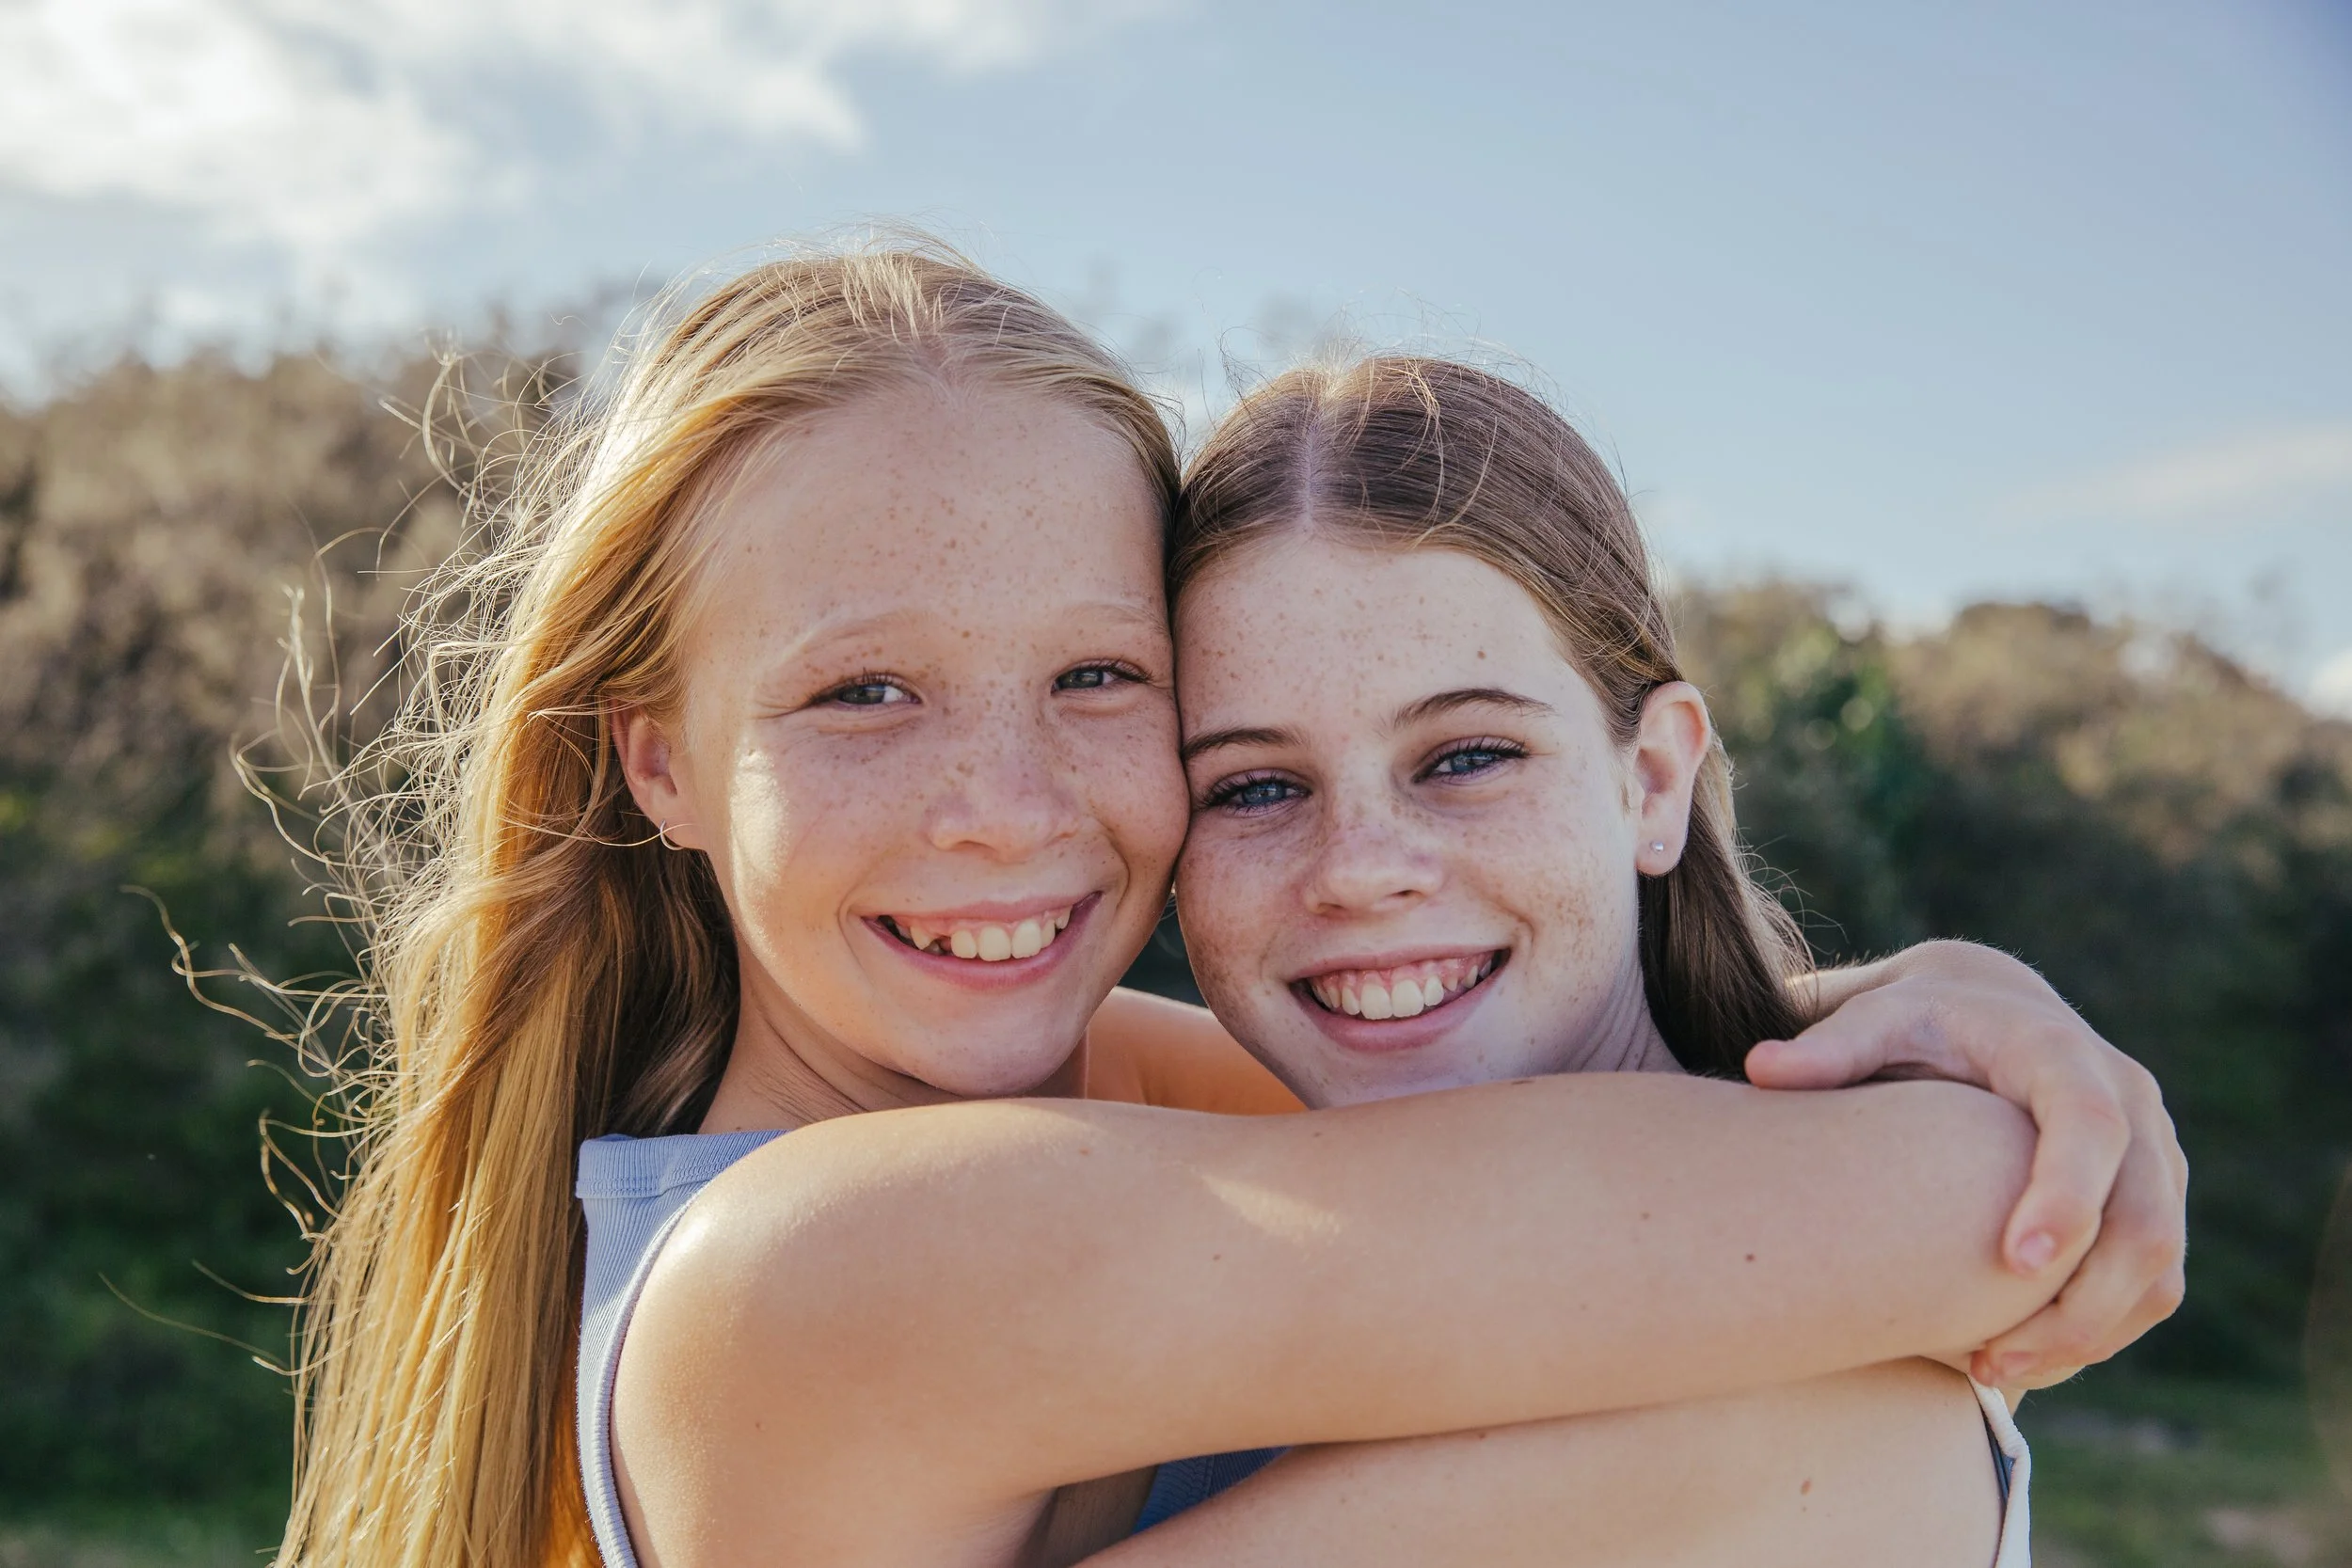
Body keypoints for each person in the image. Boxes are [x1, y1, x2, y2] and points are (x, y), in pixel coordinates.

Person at [277, 239, 2185, 1568]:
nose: (1005, 812)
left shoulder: (1070, 1091)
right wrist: (1993, 1091)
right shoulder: (812, 1269)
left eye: (1099, 678)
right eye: (863, 691)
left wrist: (1911, 994)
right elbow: (1958, 1212)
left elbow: (1549, 1123)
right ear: (657, 760)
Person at [1095, 354, 2061, 1565]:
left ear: (1653, 779)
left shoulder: (1827, 1399)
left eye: (1466, 756)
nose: (1356, 866)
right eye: (1253, 786)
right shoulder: (1191, 1232)